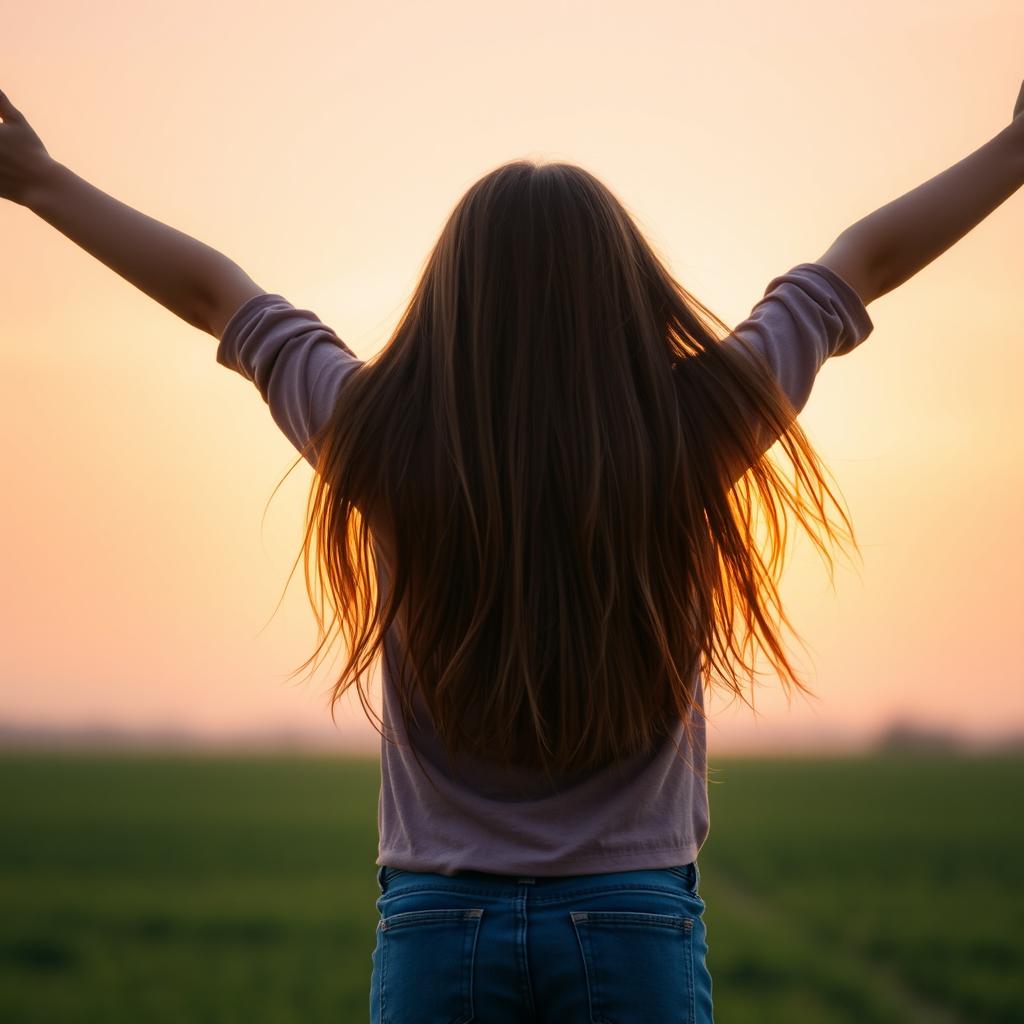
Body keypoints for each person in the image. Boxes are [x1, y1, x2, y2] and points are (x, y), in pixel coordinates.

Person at [3, 79, 1022, 1024]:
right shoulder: (692, 428)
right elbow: (855, 267)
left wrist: (40, 182)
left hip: (437, 926)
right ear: (628, 298)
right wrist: (1013, 151)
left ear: (452, 302)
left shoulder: (381, 435)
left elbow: (218, 296)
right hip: (634, 927)